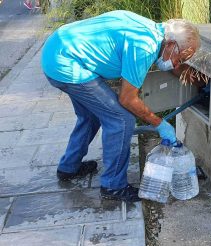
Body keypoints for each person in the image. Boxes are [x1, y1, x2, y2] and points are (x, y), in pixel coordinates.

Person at [41, 10, 202, 202]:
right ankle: (113, 186)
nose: (178, 63)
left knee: (91, 115)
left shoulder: (151, 30)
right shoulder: (144, 47)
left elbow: (169, 66)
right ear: (171, 45)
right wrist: (160, 124)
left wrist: (198, 81)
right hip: (66, 64)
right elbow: (127, 99)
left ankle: (68, 168)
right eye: (181, 58)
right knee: (121, 119)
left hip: (56, 50)